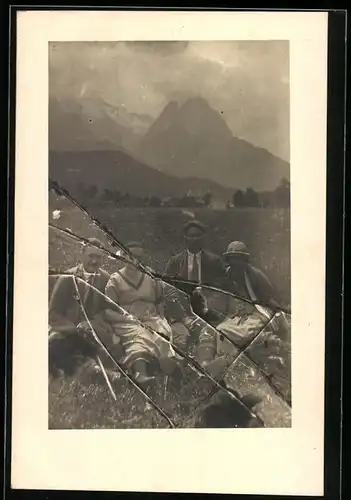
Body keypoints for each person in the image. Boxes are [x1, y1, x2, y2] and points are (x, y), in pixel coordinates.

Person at [104, 242, 179, 386]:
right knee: (140, 334)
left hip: (150, 318)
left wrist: (162, 319)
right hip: (127, 321)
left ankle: (166, 375)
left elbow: (159, 301)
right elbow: (108, 311)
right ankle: (140, 375)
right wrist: (128, 319)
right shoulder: (115, 280)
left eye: (137, 257)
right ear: (123, 256)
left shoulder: (150, 276)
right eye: (129, 256)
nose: (133, 260)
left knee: (161, 333)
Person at [49, 237, 114, 379]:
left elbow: (105, 310)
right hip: (67, 329)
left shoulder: (105, 279)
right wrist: (73, 329)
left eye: (99, 257)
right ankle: (92, 372)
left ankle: (99, 371)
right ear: (82, 255)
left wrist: (92, 324)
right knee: (56, 343)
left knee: (112, 345)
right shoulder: (67, 278)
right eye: (91, 256)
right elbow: (53, 313)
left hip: (92, 329)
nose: (94, 261)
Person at [165, 220, 227, 287]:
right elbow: (167, 284)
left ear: (203, 238)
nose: (195, 239)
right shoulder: (175, 261)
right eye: (191, 236)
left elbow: (222, 284)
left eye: (198, 235)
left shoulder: (214, 262)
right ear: (185, 238)